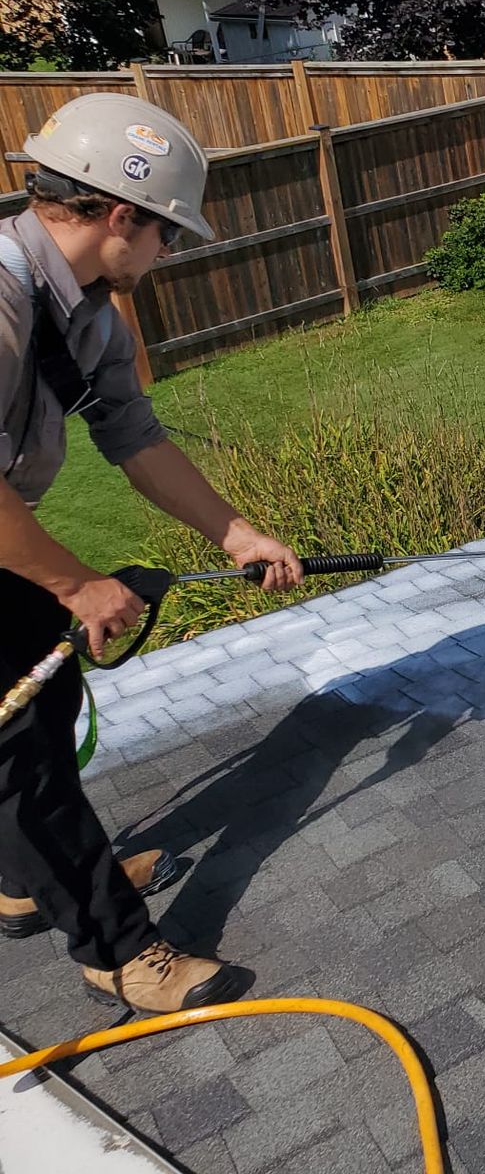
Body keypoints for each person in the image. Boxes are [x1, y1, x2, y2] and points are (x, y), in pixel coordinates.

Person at [0, 93, 304, 1014]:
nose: (169, 251)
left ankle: (25, 883)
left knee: (45, 701)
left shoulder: (88, 312)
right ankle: (120, 952)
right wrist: (77, 583)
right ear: (120, 215)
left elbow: (132, 435)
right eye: (168, 231)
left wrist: (236, 533)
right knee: (20, 760)